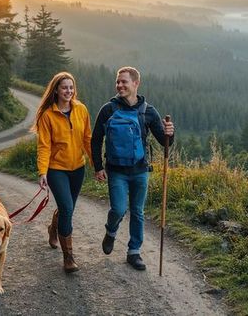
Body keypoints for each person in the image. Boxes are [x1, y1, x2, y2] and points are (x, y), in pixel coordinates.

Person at [91, 66, 174, 271]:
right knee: (118, 209)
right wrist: (98, 167)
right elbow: (95, 140)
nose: (119, 85)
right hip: (116, 171)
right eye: (117, 82)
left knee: (137, 212)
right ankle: (111, 231)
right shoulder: (108, 109)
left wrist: (170, 133)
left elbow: (165, 143)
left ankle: (134, 252)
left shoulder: (148, 111)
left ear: (136, 83)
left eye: (124, 82)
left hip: (139, 171)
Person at [34, 72, 92, 273]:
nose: (69, 91)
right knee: (67, 208)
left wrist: (96, 164)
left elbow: (87, 138)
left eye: (71, 87)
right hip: (56, 169)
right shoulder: (47, 115)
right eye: (64, 87)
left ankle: (53, 228)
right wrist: (42, 172)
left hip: (78, 168)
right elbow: (44, 147)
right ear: (56, 90)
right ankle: (69, 257)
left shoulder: (81, 109)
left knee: (68, 208)